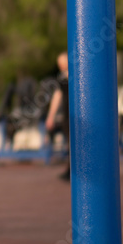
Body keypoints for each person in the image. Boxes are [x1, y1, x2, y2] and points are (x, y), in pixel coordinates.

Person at [44, 51, 69, 181]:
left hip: (75, 113)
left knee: (74, 142)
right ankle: (71, 170)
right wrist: (51, 116)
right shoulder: (62, 77)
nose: (61, 66)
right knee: (69, 143)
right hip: (67, 114)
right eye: (59, 64)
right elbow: (57, 96)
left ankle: (72, 170)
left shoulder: (78, 74)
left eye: (63, 63)